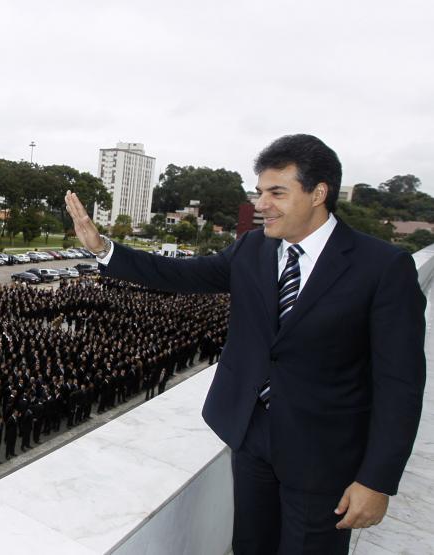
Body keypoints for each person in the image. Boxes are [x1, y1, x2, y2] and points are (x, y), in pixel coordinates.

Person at [64, 134, 426, 555]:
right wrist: (104, 249)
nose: (261, 204)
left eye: (277, 192)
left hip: (324, 455)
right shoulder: (253, 248)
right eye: (259, 192)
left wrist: (376, 480)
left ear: (318, 194)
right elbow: (182, 275)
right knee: (251, 545)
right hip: (252, 438)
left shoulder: (381, 267)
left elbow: (400, 385)